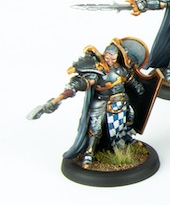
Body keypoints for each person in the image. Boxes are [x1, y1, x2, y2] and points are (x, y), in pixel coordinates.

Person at [28, 37, 160, 169]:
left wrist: (138, 87)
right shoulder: (98, 70)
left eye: (113, 59)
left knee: (129, 117)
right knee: (95, 128)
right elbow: (83, 82)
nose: (109, 61)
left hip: (120, 100)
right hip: (101, 101)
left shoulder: (121, 69)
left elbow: (130, 80)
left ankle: (124, 138)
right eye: (107, 58)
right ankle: (89, 152)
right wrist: (69, 91)